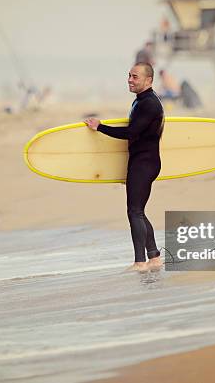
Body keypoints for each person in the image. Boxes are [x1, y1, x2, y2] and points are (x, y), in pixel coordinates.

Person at [84, 63, 165, 272]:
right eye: (129, 75)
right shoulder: (143, 100)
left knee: (134, 211)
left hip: (144, 164)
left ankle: (140, 263)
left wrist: (99, 127)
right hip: (142, 162)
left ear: (148, 80)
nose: (129, 79)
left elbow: (131, 133)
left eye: (135, 77)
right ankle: (154, 257)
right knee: (139, 211)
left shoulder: (149, 104)